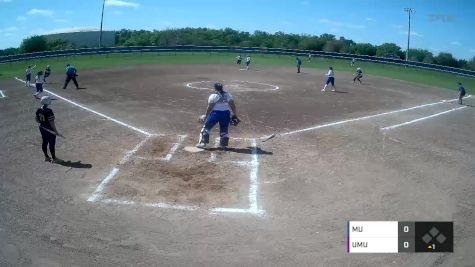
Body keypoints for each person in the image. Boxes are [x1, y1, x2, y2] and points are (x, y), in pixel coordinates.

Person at [197, 83, 240, 150]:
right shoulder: (228, 95)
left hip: (215, 114)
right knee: (224, 129)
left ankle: (203, 143)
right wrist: (235, 114)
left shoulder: (213, 96)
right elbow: (233, 105)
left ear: (215, 88)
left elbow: (210, 107)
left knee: (206, 128)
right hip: (226, 114)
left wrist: (206, 115)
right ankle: (223, 146)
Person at [36, 96, 61, 163]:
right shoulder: (49, 111)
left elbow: (37, 120)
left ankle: (46, 157)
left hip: (42, 128)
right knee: (51, 143)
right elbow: (51, 122)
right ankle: (54, 158)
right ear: (47, 102)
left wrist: (42, 123)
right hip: (49, 129)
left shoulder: (38, 109)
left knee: (44, 142)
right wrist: (56, 131)